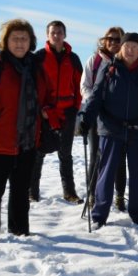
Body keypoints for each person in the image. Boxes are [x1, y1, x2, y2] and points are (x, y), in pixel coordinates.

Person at [0, 19, 45, 245]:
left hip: (27, 140)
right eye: (15, 39)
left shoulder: (34, 66)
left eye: (24, 39)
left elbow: (44, 97)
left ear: (31, 41)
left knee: (21, 190)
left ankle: (20, 230)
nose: (20, 43)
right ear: (6, 41)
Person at [79, 33, 138, 229]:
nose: (130, 50)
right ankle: (100, 214)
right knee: (106, 174)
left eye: (135, 47)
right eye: (127, 46)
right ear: (121, 48)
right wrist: (86, 118)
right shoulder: (109, 70)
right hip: (110, 129)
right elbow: (96, 96)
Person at [30, 20, 84, 204]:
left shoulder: (73, 58)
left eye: (59, 32)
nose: (56, 35)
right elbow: (33, 87)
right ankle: (32, 192)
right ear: (47, 35)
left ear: (65, 35)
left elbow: (79, 86)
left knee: (65, 154)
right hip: (45, 113)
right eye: (53, 32)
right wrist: (40, 110)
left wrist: (76, 108)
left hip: (67, 112)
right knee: (38, 153)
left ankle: (69, 192)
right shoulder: (39, 57)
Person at [80, 27, 127, 211]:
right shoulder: (95, 60)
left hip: (119, 118)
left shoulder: (126, 61)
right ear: (104, 40)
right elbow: (85, 86)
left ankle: (120, 195)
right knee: (96, 156)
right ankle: (92, 194)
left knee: (119, 158)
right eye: (111, 39)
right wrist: (96, 103)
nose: (114, 42)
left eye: (118, 39)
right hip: (97, 115)